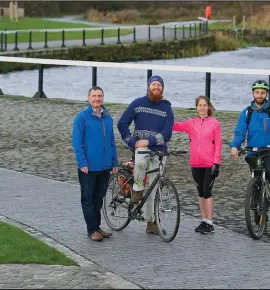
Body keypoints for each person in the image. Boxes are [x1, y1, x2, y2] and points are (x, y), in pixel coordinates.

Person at [117, 75, 174, 235]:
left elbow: (167, 133)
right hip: (140, 148)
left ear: (162, 88)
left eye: (159, 85)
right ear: (148, 87)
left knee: (155, 187)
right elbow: (122, 123)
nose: (156, 88)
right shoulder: (137, 103)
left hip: (159, 149)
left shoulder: (167, 108)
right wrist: (131, 141)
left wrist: (148, 141)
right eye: (153, 85)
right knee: (140, 163)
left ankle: (150, 221)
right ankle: (137, 190)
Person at [72, 86, 119, 242]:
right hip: (88, 167)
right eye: (94, 96)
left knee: (99, 198)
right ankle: (92, 230)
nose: (97, 99)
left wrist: (114, 161)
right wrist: (82, 163)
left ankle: (97, 227)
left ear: (103, 98)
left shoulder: (108, 117)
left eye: (99, 96)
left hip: (104, 166)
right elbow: (77, 143)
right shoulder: (82, 117)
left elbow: (111, 141)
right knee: (88, 199)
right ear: (88, 97)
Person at [229, 80, 270, 204]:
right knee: (256, 178)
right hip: (253, 151)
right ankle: (259, 212)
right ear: (253, 93)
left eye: (262, 93)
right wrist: (235, 146)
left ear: (266, 94)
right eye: (257, 92)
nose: (259, 95)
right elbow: (240, 131)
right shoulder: (247, 112)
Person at [172, 95, 222, 234]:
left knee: (207, 192)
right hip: (195, 162)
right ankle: (203, 220)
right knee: (200, 192)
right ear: (196, 107)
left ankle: (210, 222)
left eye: (205, 105)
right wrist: (165, 115)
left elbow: (218, 144)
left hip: (209, 163)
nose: (202, 108)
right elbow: (175, 126)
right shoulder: (191, 123)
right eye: (200, 105)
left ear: (209, 107)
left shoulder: (214, 123)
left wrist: (216, 163)